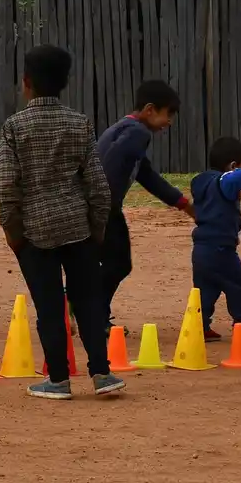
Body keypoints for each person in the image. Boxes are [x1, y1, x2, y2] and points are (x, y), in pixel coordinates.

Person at [0, 44, 124, 401]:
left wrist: (13, 234)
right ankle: (102, 372)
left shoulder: (14, 127)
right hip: (78, 227)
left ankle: (58, 379)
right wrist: (96, 228)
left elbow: (7, 186)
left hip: (34, 233)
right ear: (66, 82)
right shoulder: (79, 123)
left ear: (26, 82)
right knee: (88, 300)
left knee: (49, 306)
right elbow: (97, 185)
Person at [95, 80, 195, 332]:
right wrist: (103, 202)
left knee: (105, 262)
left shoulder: (124, 129)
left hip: (97, 206)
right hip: (103, 208)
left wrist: (183, 204)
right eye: (168, 114)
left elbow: (147, 176)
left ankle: (82, 303)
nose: (169, 121)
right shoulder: (138, 133)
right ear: (150, 109)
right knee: (118, 264)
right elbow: (112, 161)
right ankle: (92, 313)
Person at [190, 136, 241, 342]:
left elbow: (218, 210)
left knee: (205, 289)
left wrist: (239, 225)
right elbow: (237, 178)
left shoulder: (202, 182)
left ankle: (200, 326)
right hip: (221, 249)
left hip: (201, 249)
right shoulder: (226, 180)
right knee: (238, 284)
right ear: (234, 166)